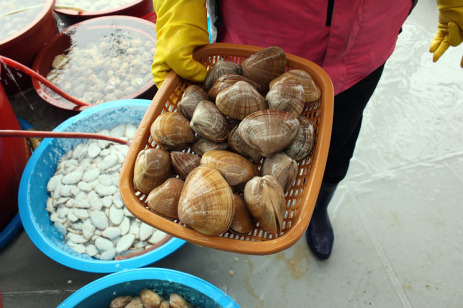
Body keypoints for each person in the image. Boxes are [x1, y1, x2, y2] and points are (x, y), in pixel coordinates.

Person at [151, 0, 463, 260]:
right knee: (250, 122)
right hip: (262, 35)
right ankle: (295, 203)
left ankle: (318, 209)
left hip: (367, 42)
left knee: (339, 142)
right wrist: (177, 8)